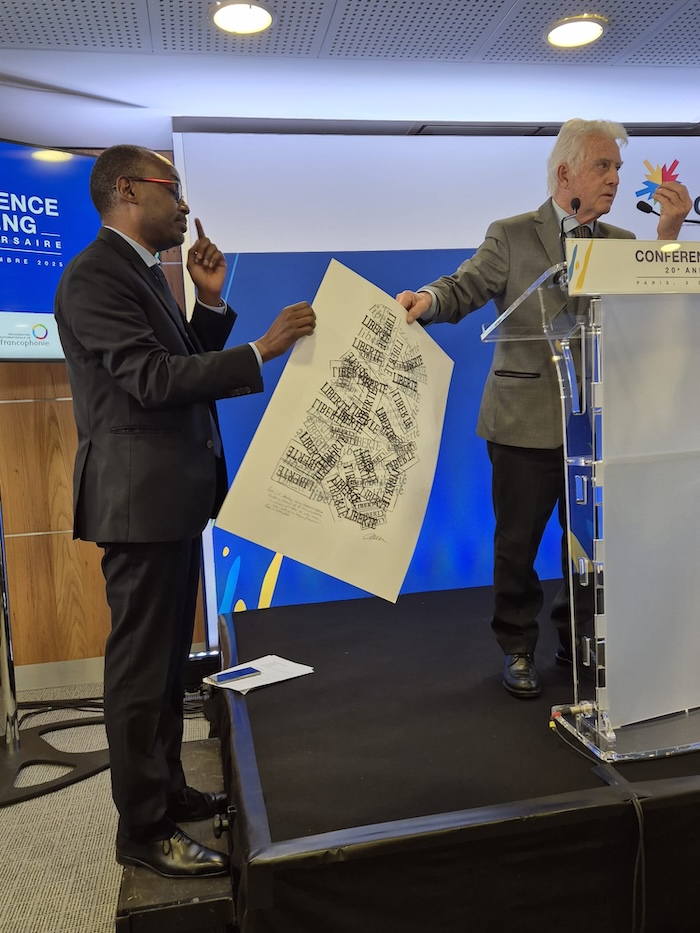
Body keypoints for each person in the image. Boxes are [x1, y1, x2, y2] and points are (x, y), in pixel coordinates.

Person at [54, 145, 316, 877]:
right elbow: (150, 378)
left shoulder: (141, 272)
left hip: (166, 500)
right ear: (129, 189)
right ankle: (143, 830)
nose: (186, 204)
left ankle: (166, 791)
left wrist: (209, 303)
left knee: (168, 664)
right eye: (173, 188)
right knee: (141, 672)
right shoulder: (94, 275)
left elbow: (178, 367)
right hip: (137, 505)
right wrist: (262, 350)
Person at [396, 119, 691, 699]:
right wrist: (427, 299)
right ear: (565, 174)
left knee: (587, 546)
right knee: (517, 544)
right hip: (522, 419)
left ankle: (577, 638)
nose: (615, 178)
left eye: (617, 168)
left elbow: (658, 311)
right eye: (603, 166)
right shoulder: (512, 235)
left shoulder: (622, 243)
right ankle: (517, 646)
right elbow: (464, 286)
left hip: (598, 422)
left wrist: (668, 237)